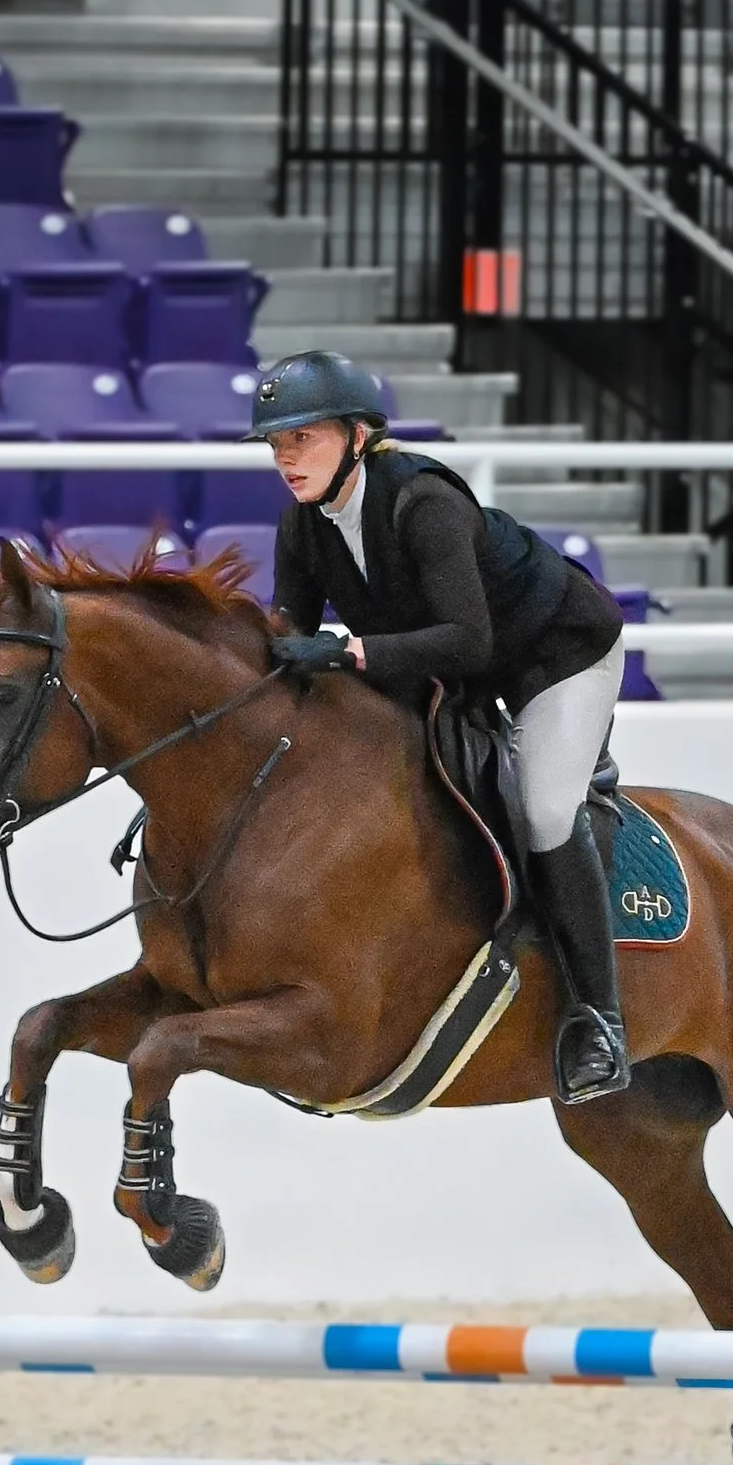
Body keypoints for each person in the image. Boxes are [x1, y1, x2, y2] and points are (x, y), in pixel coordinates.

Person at [250, 349, 632, 1104]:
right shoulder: (304, 525)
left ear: (359, 435)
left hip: (555, 654)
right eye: (276, 444)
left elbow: (468, 638)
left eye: (305, 438)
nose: (287, 458)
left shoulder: (422, 502)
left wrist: (351, 651)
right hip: (458, 670)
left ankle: (600, 1021)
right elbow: (289, 633)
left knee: (547, 809)